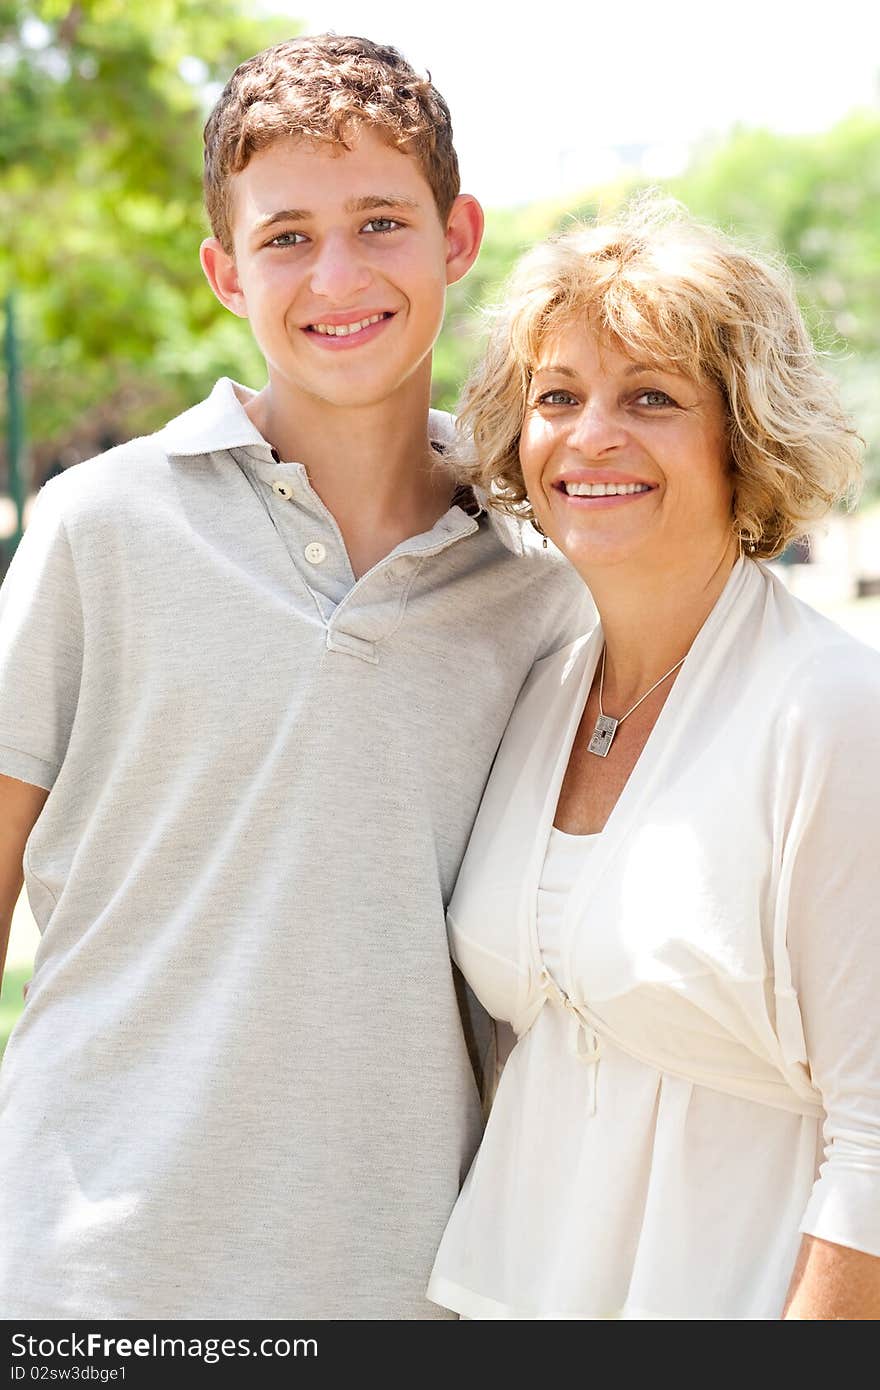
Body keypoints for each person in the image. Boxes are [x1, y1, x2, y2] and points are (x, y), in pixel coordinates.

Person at [0, 35, 588, 1319]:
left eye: (381, 221)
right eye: (285, 237)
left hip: (413, 1286)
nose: (337, 276)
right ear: (223, 271)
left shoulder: (542, 588)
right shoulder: (97, 526)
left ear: (456, 235)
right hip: (89, 1275)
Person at [427, 198, 880, 1320]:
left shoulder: (826, 710)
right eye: (558, 397)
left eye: (651, 398)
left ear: (743, 434)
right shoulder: (542, 687)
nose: (591, 437)